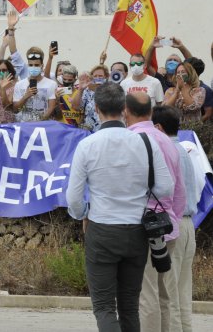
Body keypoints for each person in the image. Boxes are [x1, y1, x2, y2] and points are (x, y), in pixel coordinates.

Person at [66, 82, 174, 332]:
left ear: (96, 108)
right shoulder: (146, 143)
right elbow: (165, 189)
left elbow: (73, 198)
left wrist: (83, 213)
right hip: (137, 230)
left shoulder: (87, 145)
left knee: (104, 307)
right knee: (129, 306)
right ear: (124, 109)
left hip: (102, 228)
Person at [125, 92, 186, 332]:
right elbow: (179, 189)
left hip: (142, 227)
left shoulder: (130, 139)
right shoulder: (167, 141)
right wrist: (173, 220)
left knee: (145, 295)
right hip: (166, 224)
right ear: (151, 112)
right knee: (163, 296)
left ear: (126, 112)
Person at [152, 105, 198, 332]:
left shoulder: (166, 151)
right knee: (182, 293)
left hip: (174, 224)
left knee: (168, 295)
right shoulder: (183, 150)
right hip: (188, 223)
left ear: (158, 127)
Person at [12, 48, 57, 122]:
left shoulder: (51, 84)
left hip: (43, 126)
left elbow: (51, 108)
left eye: (36, 65)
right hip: (24, 126)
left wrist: (39, 122)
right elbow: (15, 109)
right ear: (28, 66)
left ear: (42, 66)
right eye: (31, 65)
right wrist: (25, 96)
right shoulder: (19, 84)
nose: (33, 67)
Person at [72, 65, 109, 132]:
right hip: (88, 131)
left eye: (100, 76)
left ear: (106, 77)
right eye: (95, 76)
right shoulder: (87, 91)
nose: (98, 78)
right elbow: (75, 107)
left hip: (106, 130)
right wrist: (80, 89)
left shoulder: (112, 90)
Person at [183, 57, 213, 122]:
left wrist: (193, 125)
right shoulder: (181, 87)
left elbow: (208, 114)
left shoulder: (205, 90)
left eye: (184, 70)